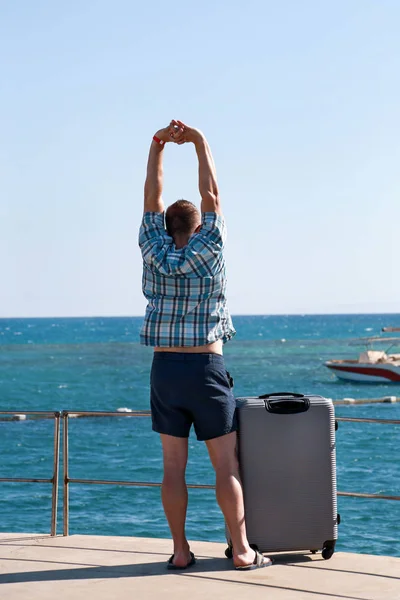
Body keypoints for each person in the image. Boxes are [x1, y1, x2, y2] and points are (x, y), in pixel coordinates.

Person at [138, 120, 272, 571]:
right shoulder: (211, 244)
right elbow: (211, 193)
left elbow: (150, 197)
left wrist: (158, 144)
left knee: (173, 467)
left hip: (165, 371)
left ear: (164, 224)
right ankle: (241, 550)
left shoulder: (152, 246)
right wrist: (198, 140)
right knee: (225, 466)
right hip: (206, 369)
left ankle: (180, 551)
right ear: (198, 224)